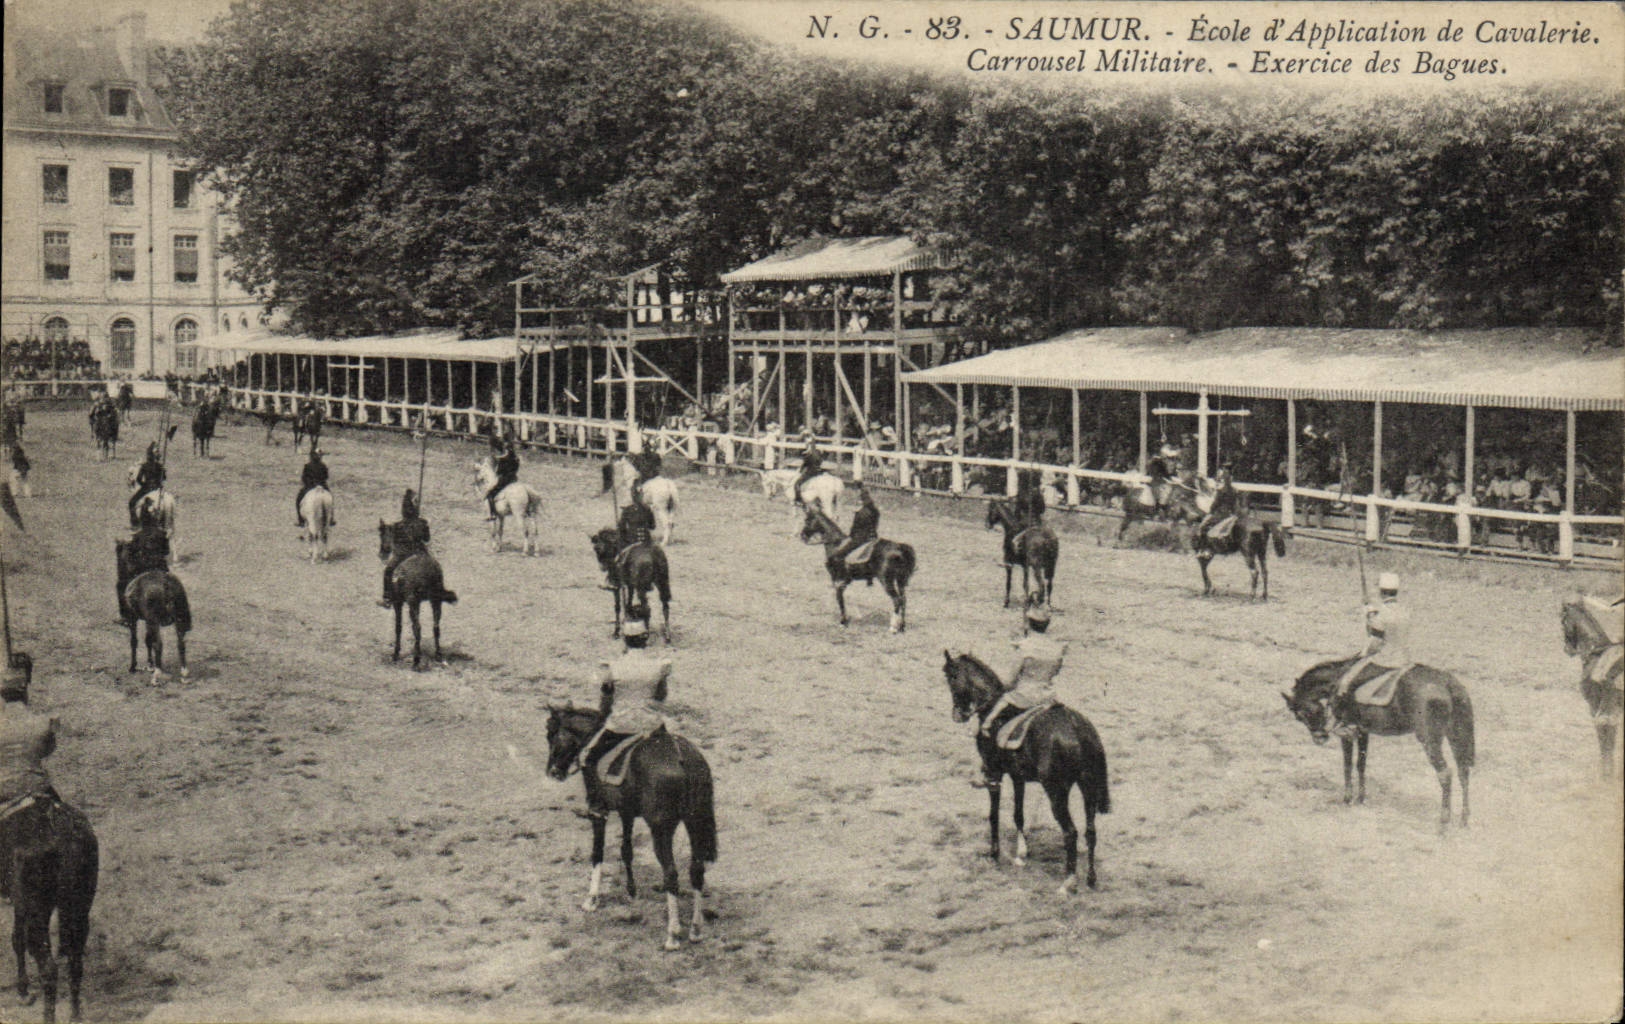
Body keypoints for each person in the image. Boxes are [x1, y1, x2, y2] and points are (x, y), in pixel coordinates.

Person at [577, 615, 673, 818]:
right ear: (645, 640)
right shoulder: (659, 666)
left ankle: (596, 805)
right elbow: (661, 696)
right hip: (651, 725)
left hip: (621, 725)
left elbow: (605, 703)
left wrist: (603, 717)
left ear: (625, 640)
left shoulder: (613, 667)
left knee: (588, 759)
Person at [0, 653, 60, 898]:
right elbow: (47, 751)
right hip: (38, 789)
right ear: (25, 692)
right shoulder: (42, 722)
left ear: (2, 694)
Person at [1331, 572, 1412, 733]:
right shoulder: (1405, 611)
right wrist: (1371, 616)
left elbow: (1375, 642)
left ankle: (1349, 723)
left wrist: (1364, 653)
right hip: (1404, 658)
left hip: (1386, 660)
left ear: (1382, 591)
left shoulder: (1381, 614)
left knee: (1347, 682)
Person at [380, 489, 430, 607]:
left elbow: (396, 542)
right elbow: (427, 539)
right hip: (420, 552)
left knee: (388, 571)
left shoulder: (398, 526)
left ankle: (387, 598)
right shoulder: (422, 522)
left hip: (403, 555)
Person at [831, 485, 880, 566]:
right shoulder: (875, 511)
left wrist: (850, 536)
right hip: (873, 536)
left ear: (861, 500)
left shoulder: (861, 513)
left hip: (861, 539)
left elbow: (854, 528)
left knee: (840, 553)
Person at [1196, 467, 1241, 541]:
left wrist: (1210, 513)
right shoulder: (1235, 490)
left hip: (1221, 514)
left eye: (1221, 478)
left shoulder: (1221, 491)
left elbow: (1215, 505)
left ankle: (1204, 546)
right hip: (1230, 513)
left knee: (1203, 527)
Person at [128, 442, 165, 527]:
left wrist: (144, 485)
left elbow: (138, 479)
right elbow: (163, 479)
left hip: (147, 488)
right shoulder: (160, 466)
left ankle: (135, 523)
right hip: (157, 488)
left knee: (132, 502)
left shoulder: (145, 466)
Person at [485, 435, 520, 521]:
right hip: (514, 478)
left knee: (490, 494)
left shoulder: (504, 457)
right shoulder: (515, 456)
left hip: (505, 480)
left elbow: (499, 470)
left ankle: (492, 514)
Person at [126, 509, 171, 575]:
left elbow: (131, 553)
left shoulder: (138, 536)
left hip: (143, 567)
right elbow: (167, 551)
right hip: (160, 566)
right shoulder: (162, 534)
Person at [295, 448, 331, 528]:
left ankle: (300, 520)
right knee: (330, 497)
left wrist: (310, 483)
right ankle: (331, 518)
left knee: (299, 499)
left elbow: (304, 478)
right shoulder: (323, 465)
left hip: (310, 486)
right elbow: (326, 477)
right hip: (322, 485)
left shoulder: (308, 465)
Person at [617, 481, 656, 550]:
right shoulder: (647, 509)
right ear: (642, 495)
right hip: (646, 541)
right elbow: (652, 526)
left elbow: (622, 529)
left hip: (632, 541)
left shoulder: (627, 510)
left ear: (632, 495)